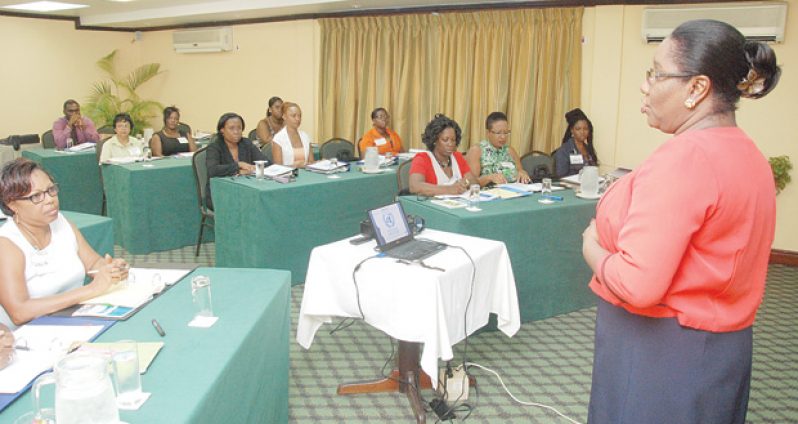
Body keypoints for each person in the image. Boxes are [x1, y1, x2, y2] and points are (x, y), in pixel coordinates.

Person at [581, 20, 780, 424]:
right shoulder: (748, 154)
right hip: (719, 349)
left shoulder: (686, 159)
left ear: (697, 88)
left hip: (661, 355)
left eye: (656, 73)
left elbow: (637, 285)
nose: (645, 86)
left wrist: (591, 245)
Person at [0, 158, 128, 329]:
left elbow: (93, 263)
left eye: (51, 190)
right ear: (12, 204)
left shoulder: (60, 222)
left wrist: (110, 269)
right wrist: (91, 289)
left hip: (72, 319)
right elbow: (19, 312)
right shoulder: (6, 244)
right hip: (27, 334)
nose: (50, 200)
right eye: (36, 196)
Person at [205, 113, 267, 209]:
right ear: (222, 130)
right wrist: (238, 166)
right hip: (220, 194)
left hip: (246, 189)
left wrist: (254, 169)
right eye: (231, 128)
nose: (236, 132)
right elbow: (212, 170)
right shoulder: (214, 147)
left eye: (239, 128)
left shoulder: (246, 143)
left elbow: (264, 161)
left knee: (264, 202)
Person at [409, 114, 477, 196]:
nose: (450, 144)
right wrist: (450, 189)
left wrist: (465, 182)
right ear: (434, 140)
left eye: (453, 140)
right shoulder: (422, 159)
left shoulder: (457, 157)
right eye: (445, 140)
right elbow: (415, 186)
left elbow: (474, 181)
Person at [465, 111, 530, 186]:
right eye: (498, 133)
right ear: (488, 132)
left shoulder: (510, 150)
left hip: (514, 190)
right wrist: (489, 178)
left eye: (506, 132)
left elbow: (520, 170)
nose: (503, 137)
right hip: (490, 192)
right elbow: (471, 183)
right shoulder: (477, 151)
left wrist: (523, 173)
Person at [553, 108, 598, 177]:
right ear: (572, 130)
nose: (582, 132)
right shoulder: (563, 151)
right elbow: (561, 177)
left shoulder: (588, 149)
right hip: (572, 183)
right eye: (578, 129)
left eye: (585, 129)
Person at [272, 102, 315, 168]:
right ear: (284, 116)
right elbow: (278, 168)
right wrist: (295, 166)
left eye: (299, 116)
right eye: (293, 116)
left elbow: (311, 162)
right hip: (288, 174)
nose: (298, 119)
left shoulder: (305, 136)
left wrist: (321, 163)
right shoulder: (278, 139)